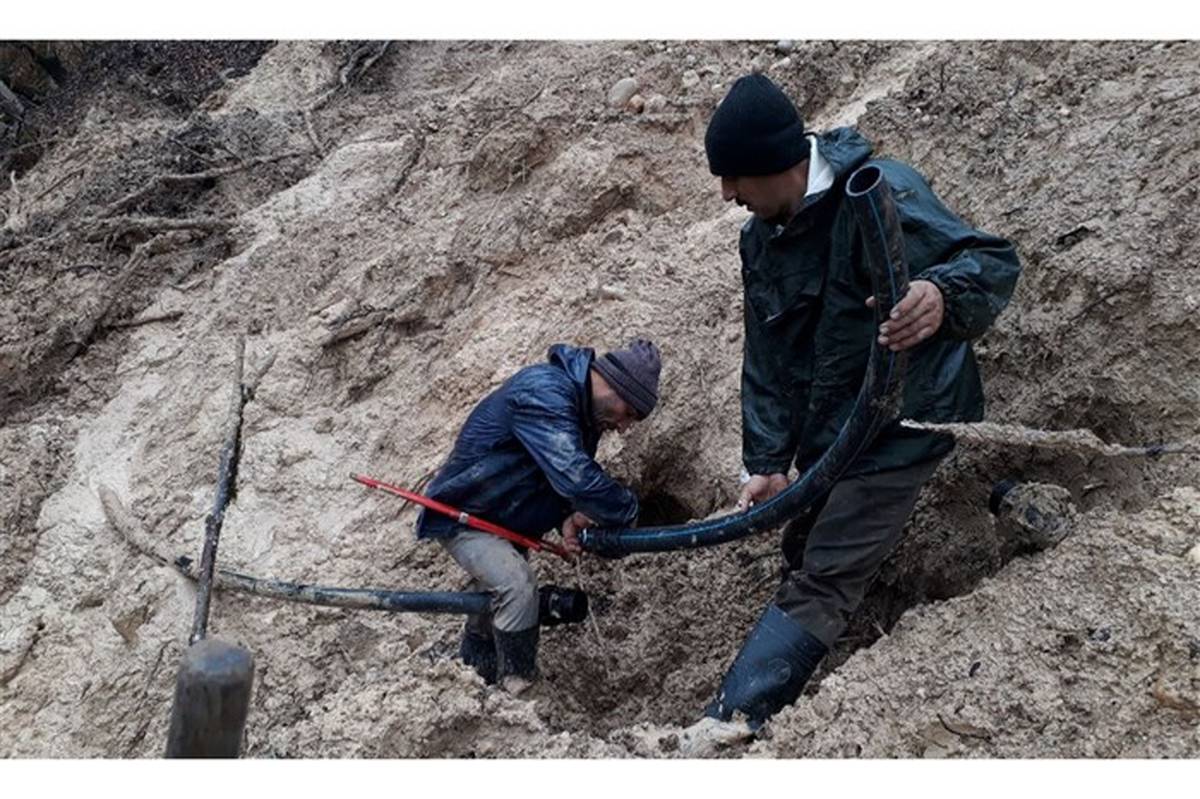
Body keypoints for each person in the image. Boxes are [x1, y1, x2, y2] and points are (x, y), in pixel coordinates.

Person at [701, 74, 1021, 726]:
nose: (728, 194)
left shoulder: (880, 192)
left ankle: (731, 723)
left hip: (905, 418)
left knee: (825, 573)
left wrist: (940, 296)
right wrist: (764, 460)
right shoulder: (760, 240)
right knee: (802, 551)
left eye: (735, 177)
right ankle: (834, 655)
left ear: (777, 163)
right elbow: (765, 357)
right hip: (832, 432)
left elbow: (991, 261)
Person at [416, 339, 661, 691]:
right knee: (517, 588)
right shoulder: (545, 392)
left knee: (493, 596)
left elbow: (553, 476)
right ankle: (518, 691)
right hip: (466, 516)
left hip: (502, 520)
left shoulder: (579, 412)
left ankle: (473, 676)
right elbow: (574, 476)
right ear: (615, 387)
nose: (623, 427)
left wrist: (565, 516)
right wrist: (627, 511)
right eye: (629, 414)